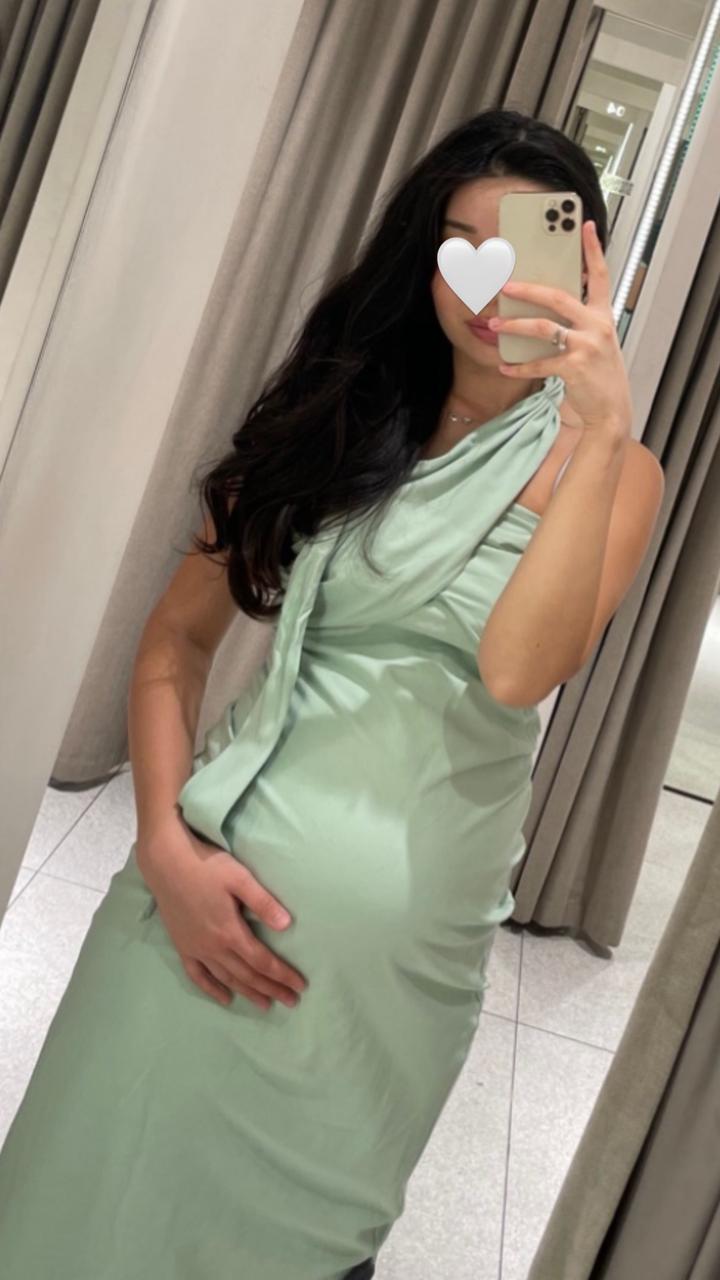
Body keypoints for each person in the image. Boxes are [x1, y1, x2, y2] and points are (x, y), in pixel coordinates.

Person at [0, 108, 615, 1278]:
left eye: (524, 249)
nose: (489, 285)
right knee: (79, 1208)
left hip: (387, 985)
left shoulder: (611, 470)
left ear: (581, 265)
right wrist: (164, 848)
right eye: (461, 248)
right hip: (189, 909)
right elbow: (175, 642)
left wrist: (602, 415)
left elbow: (520, 669)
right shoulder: (339, 421)